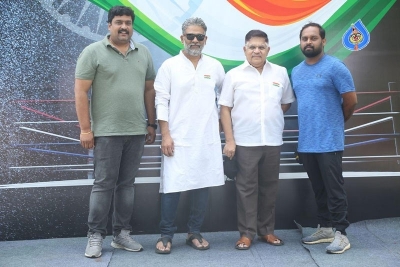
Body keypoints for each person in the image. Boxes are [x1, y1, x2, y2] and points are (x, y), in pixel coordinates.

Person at [74, 6, 156, 258]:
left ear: (132, 27)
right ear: (109, 25)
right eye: (118, 22)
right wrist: (86, 129)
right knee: (103, 184)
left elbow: (149, 91)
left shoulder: (143, 53)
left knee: (126, 185)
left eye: (128, 23)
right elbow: (80, 92)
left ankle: (121, 235)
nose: (124, 27)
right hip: (106, 132)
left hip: (136, 131)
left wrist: (150, 124)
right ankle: (95, 235)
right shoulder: (93, 52)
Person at [154, 17, 225, 254]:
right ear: (182, 38)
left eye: (200, 36)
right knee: (172, 187)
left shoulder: (214, 66)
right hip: (177, 137)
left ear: (206, 40)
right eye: (190, 36)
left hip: (206, 137)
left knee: (201, 185)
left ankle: (194, 232)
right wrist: (165, 134)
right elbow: (161, 101)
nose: (195, 40)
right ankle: (166, 235)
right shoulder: (169, 66)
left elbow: (224, 99)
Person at [219, 30, 295, 250]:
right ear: (245, 49)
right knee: (246, 189)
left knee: (269, 189)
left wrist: (268, 118)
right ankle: (246, 234)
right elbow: (225, 109)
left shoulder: (280, 73)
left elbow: (285, 103)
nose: (256, 51)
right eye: (252, 47)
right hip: (244, 142)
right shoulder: (234, 75)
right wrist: (230, 140)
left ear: (268, 49)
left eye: (261, 47)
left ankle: (267, 231)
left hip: (272, 141)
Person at [291, 22, 357, 254]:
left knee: (334, 189)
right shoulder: (296, 71)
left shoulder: (336, 67)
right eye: (304, 38)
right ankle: (326, 227)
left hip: (329, 141)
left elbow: (350, 101)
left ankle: (341, 234)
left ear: (323, 41)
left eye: (313, 38)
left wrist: (335, 124)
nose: (309, 42)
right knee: (318, 188)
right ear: (300, 42)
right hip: (307, 143)